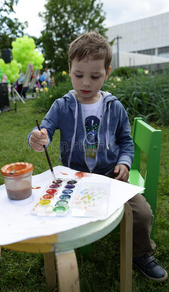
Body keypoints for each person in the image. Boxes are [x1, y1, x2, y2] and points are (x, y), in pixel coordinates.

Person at [28, 32, 168, 282]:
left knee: (142, 213)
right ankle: (60, 251)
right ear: (69, 69)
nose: (85, 83)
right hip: (73, 178)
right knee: (51, 210)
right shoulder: (62, 106)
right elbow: (45, 130)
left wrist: (124, 162)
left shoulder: (115, 107)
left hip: (109, 177)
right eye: (78, 75)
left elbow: (126, 141)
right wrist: (38, 137)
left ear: (107, 72)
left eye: (95, 76)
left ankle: (141, 253)